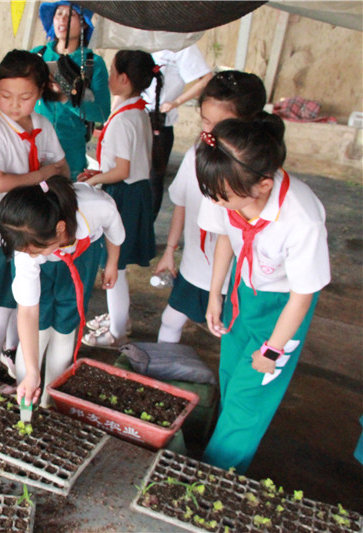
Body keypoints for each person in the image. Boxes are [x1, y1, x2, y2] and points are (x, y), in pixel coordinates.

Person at [196, 116, 329, 473]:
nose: (217, 202)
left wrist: (272, 349)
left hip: (282, 308)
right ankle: (217, 456)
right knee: (230, 377)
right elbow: (227, 235)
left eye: (224, 197)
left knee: (248, 399)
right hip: (244, 291)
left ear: (264, 185)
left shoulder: (302, 218)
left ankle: (214, 478)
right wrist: (216, 294)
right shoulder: (224, 185)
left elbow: (302, 296)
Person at [0, 50, 68, 390]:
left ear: (40, 92)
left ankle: (12, 354)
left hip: (32, 226)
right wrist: (42, 174)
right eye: (5, 96)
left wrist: (57, 183)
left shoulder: (43, 125)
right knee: (2, 305)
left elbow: (63, 167)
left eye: (25, 97)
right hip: (1, 229)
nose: (14, 104)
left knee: (21, 300)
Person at [154, 71, 266, 343]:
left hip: (235, 275)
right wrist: (170, 251)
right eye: (205, 121)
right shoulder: (196, 154)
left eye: (222, 124)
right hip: (196, 262)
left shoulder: (252, 171)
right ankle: (160, 375)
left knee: (231, 332)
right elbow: (180, 202)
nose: (210, 133)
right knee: (171, 319)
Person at [0, 175, 124, 407]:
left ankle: (49, 399)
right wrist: (32, 373)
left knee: (66, 324)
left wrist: (112, 263)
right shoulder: (28, 249)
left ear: (60, 229)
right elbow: (27, 312)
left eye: (37, 250)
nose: (31, 255)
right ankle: (27, 388)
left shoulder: (96, 207)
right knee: (39, 325)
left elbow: (114, 232)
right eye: (27, 252)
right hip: (45, 267)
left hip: (81, 257)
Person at [0, 0, 110, 178]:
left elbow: (101, 114)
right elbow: (9, 92)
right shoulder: (38, 55)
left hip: (71, 159)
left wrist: (64, 98)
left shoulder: (93, 64)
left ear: (84, 23)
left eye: (71, 15)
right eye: (59, 13)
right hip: (31, 153)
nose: (62, 19)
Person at [79, 50, 161, 347]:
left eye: (112, 72)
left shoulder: (124, 119)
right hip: (136, 191)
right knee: (119, 265)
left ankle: (116, 332)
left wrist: (95, 178)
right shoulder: (138, 112)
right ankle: (120, 320)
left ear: (123, 79)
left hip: (123, 194)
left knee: (115, 268)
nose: (108, 77)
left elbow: (121, 170)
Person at [142, 44, 213, 219]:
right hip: (137, 115)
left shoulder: (183, 47)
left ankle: (147, 227)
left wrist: (176, 102)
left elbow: (206, 78)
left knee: (153, 177)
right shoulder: (146, 39)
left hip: (159, 122)